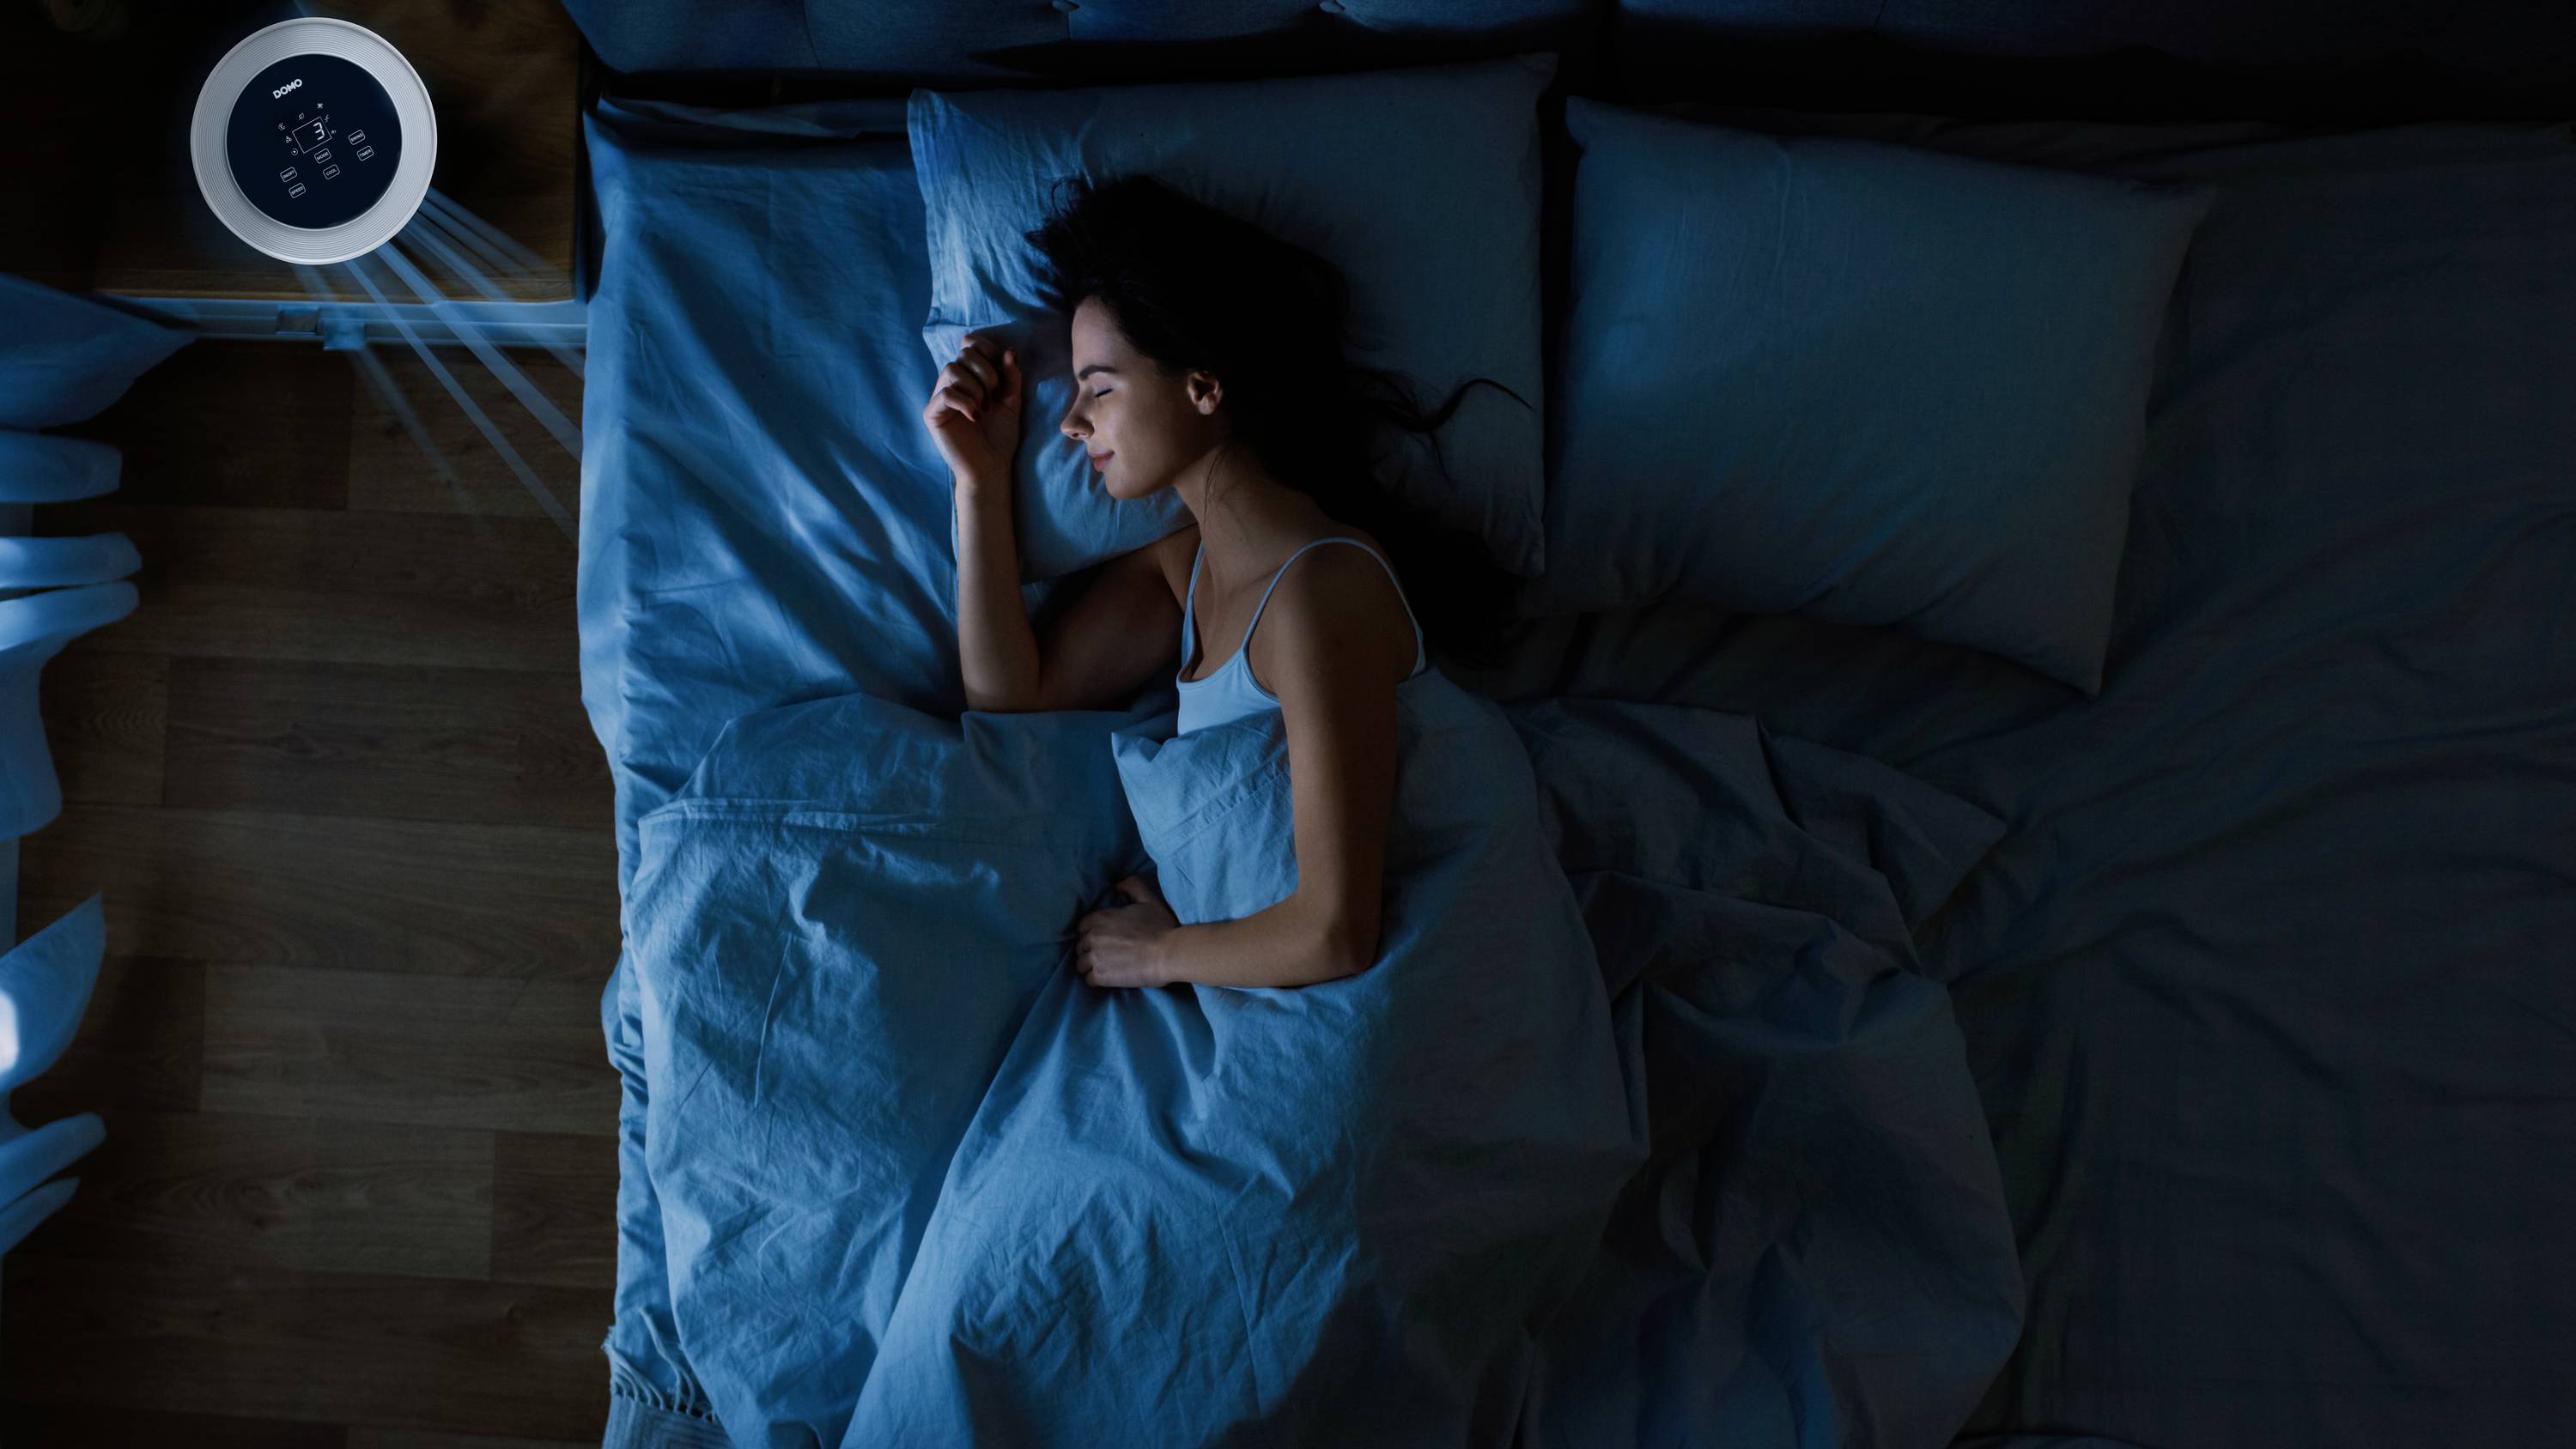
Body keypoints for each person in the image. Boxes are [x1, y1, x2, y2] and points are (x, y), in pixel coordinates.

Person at [920, 175, 1522, 995]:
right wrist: (980, 483)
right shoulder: (1185, 564)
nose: (1070, 422)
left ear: (1203, 387)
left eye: (1100, 388)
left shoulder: (1318, 592)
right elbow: (1009, 698)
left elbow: (1337, 932)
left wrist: (1158, 955)